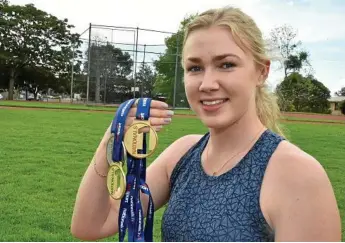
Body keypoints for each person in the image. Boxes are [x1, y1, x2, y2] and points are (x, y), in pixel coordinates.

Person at [71, 6, 341, 242]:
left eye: (226, 65)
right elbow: (91, 225)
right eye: (195, 68)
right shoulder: (182, 155)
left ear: (261, 71)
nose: (207, 84)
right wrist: (113, 138)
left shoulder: (298, 175)